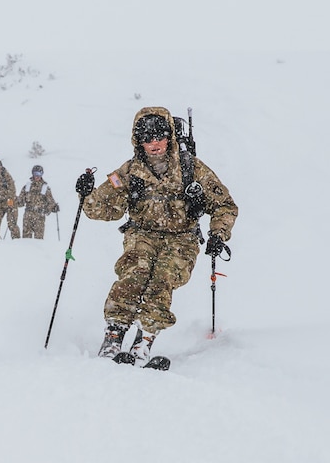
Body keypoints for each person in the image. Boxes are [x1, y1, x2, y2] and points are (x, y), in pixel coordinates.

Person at [76, 107, 238, 365]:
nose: (154, 144)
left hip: (182, 237)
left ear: (169, 136)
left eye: (159, 136)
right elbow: (98, 209)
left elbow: (224, 205)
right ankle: (114, 336)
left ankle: (144, 341)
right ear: (138, 141)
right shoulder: (129, 172)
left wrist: (218, 233)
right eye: (147, 139)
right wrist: (86, 193)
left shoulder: (191, 168)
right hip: (142, 233)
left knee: (163, 278)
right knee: (135, 272)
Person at [17, 164, 60, 239]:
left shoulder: (45, 188)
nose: (37, 176)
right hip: (28, 216)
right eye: (35, 174)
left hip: (40, 217)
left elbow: (51, 202)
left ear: (42, 174)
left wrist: (52, 207)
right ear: (32, 174)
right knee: (26, 240)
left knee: (38, 240)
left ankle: (37, 251)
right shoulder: (27, 187)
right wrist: (14, 201)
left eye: (39, 174)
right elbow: (21, 202)